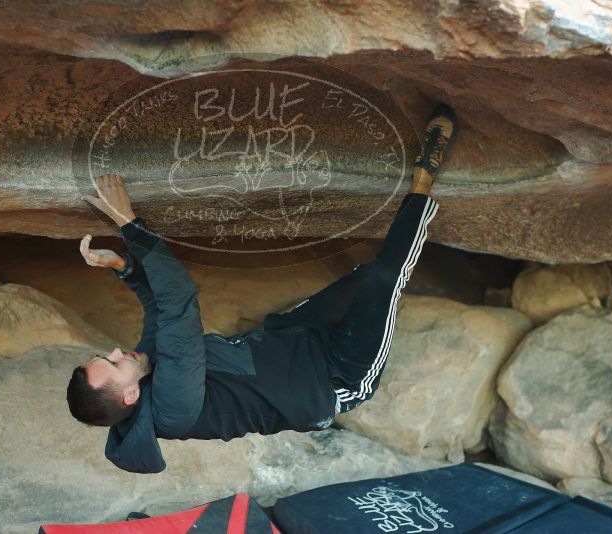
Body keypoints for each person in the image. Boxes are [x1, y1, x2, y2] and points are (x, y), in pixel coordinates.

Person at [67, 105, 457, 473]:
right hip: (336, 376)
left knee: (367, 277)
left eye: (108, 354)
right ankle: (424, 176)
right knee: (385, 280)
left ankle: (407, 224)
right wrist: (129, 224)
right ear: (129, 396)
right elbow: (178, 304)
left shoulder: (147, 372)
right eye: (115, 363)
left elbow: (157, 313)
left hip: (295, 338)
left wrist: (124, 267)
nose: (118, 351)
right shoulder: (174, 408)